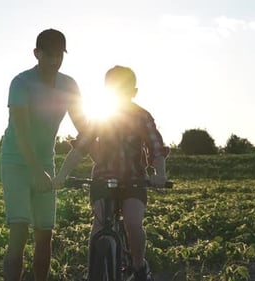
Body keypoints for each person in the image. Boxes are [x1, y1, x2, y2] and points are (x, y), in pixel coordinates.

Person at [52, 65, 169, 281]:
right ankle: (93, 272)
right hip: (103, 178)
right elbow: (80, 149)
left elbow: (156, 149)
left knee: (133, 222)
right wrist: (62, 176)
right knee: (99, 225)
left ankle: (138, 265)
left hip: (134, 180)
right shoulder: (100, 119)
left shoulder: (142, 116)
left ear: (133, 92)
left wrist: (160, 174)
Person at [0, 28, 87, 281]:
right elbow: (22, 132)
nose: (54, 61)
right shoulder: (21, 83)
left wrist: (98, 145)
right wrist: (37, 171)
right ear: (36, 53)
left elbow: (83, 126)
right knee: (19, 233)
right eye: (48, 55)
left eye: (59, 55)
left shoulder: (68, 85)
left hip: (46, 161)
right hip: (16, 161)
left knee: (44, 233)